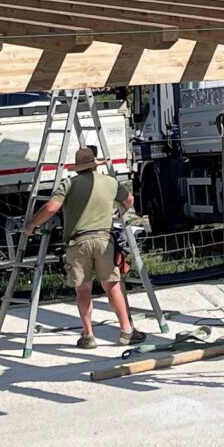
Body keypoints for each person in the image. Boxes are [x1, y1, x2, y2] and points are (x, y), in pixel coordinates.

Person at [24, 142, 144, 350]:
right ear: (95, 165)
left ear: (78, 168)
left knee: (83, 289)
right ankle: (126, 331)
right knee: (112, 285)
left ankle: (88, 335)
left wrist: (31, 225)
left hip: (77, 242)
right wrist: (119, 211)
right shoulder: (110, 182)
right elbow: (129, 199)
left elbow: (51, 207)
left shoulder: (69, 184)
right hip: (104, 240)